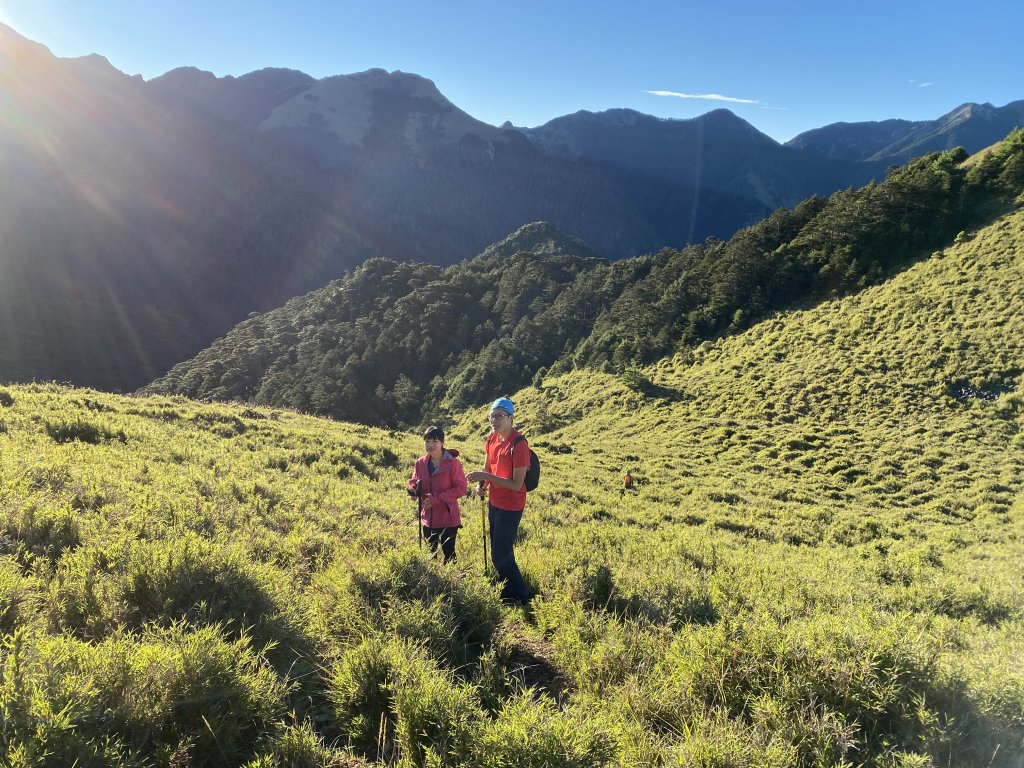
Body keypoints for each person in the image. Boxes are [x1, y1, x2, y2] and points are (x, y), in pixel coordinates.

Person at [467, 397, 532, 605]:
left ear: (511, 418)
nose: (495, 420)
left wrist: (486, 477)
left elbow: (516, 484)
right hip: (494, 503)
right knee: (500, 551)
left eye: (500, 416)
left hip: (511, 507)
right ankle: (508, 589)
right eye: (491, 416)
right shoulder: (491, 439)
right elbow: (488, 469)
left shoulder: (519, 444)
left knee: (500, 553)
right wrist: (483, 483)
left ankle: (519, 594)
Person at [407, 426, 466, 564]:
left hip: (448, 518)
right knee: (430, 554)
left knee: (449, 555)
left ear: (442, 442)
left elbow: (461, 488)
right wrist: (413, 490)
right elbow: (415, 481)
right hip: (427, 517)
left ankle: (453, 583)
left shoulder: (453, 464)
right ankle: (434, 583)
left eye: (434, 441)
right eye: (427, 441)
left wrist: (436, 500)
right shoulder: (420, 462)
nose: (431, 445)